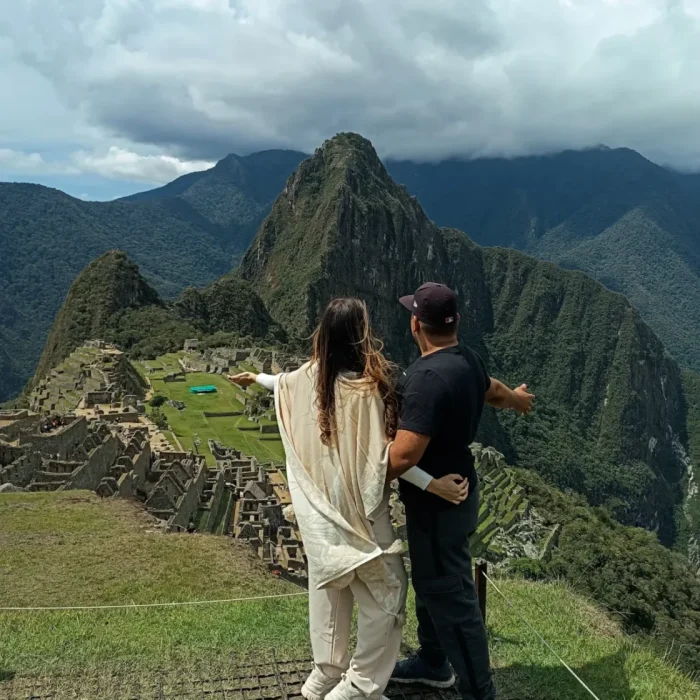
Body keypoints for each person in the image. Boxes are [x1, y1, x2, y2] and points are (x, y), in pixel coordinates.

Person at [228, 298, 467, 700]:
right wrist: (434, 485)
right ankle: (357, 687)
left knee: (330, 585)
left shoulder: (304, 379)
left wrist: (257, 378)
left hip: (319, 512)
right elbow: (385, 459)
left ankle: (324, 674)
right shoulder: (368, 391)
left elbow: (281, 382)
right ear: (361, 336)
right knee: (387, 595)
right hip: (360, 512)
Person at [388, 283, 535, 700]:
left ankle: (479, 692)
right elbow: (493, 390)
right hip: (461, 496)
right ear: (456, 323)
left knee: (453, 601)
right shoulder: (466, 358)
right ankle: (433, 661)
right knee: (435, 586)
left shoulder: (426, 379)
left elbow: (402, 456)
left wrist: (348, 474)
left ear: (416, 324)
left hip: (439, 507)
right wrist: (518, 400)